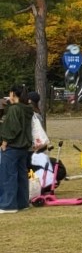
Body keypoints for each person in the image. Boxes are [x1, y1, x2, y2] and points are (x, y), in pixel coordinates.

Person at [0, 85, 34, 213]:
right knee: (21, 176)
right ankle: (22, 202)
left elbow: (12, 128)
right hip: (24, 147)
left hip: (12, 146)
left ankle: (8, 205)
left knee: (8, 175)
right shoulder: (27, 109)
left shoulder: (14, 109)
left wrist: (4, 142)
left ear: (13, 94)